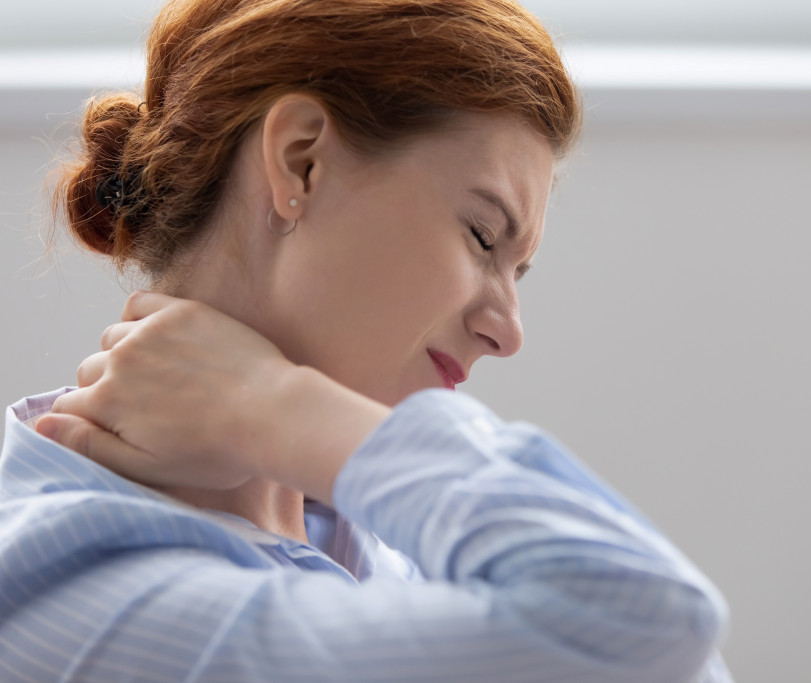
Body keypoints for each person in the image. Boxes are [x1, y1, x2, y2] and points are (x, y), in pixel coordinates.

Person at [0, 0, 732, 680]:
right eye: (481, 236)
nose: (507, 330)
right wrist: (275, 405)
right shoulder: (65, 578)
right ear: (300, 161)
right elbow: (654, 622)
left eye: (519, 271)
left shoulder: (361, 529)